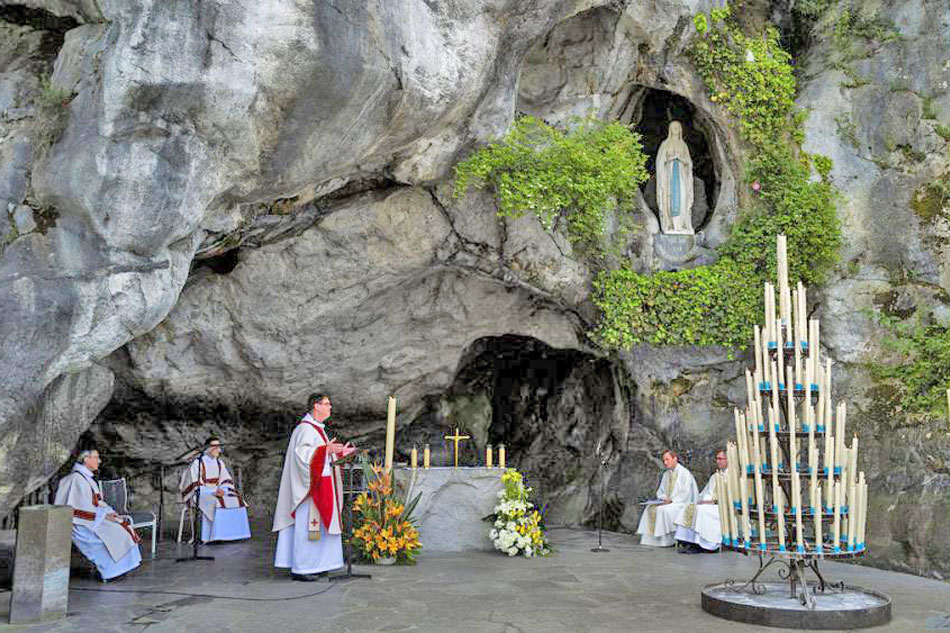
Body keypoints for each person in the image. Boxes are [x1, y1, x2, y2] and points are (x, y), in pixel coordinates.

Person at [273, 393, 356, 581]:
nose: (330, 407)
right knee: (308, 528)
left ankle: (319, 564)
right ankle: (302, 568)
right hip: (309, 489)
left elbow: (321, 453)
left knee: (322, 529)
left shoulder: (318, 429)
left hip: (322, 485)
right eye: (327, 404)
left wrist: (339, 453)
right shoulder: (304, 429)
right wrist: (325, 450)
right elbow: (302, 456)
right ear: (316, 406)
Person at [54, 448, 142, 581]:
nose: (99, 461)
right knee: (116, 534)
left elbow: (97, 503)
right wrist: (104, 516)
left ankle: (118, 569)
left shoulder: (86, 478)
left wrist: (110, 513)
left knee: (123, 528)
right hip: (81, 524)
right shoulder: (75, 480)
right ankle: (111, 572)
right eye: (96, 457)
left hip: (92, 519)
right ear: (86, 459)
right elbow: (76, 509)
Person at [180, 437, 251, 543]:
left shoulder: (219, 463)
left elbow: (226, 480)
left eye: (219, 447)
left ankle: (235, 534)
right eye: (215, 447)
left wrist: (222, 490)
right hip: (201, 493)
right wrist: (211, 492)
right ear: (207, 448)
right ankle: (212, 536)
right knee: (216, 502)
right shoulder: (197, 462)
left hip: (217, 492)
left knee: (237, 500)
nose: (219, 450)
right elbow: (195, 484)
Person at [636, 449, 698, 547]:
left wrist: (672, 500)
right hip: (668, 502)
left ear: (675, 459)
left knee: (663, 511)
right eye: (664, 460)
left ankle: (666, 540)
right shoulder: (666, 474)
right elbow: (661, 491)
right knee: (650, 508)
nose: (665, 462)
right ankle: (649, 540)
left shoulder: (684, 474)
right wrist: (663, 498)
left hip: (681, 504)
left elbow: (686, 494)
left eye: (667, 460)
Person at [674, 449, 727, 553]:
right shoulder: (715, 476)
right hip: (711, 505)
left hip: (724, 506)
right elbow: (708, 493)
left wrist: (714, 502)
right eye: (717, 459)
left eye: (720, 459)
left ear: (728, 459)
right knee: (690, 507)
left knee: (702, 510)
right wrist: (705, 500)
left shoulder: (735, 476)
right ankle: (688, 540)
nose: (718, 461)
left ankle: (705, 543)